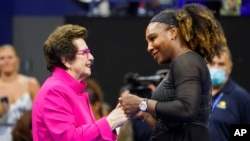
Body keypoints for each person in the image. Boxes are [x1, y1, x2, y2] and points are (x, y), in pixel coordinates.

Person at [119, 3, 227, 141]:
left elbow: (187, 109)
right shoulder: (183, 62)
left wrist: (142, 103)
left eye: (153, 38)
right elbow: (169, 129)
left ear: (172, 32)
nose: (149, 47)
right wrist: (143, 112)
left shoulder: (187, 61)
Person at [32, 24, 128, 141]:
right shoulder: (54, 90)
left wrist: (116, 122)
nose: (91, 57)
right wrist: (110, 121)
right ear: (66, 60)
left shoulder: (73, 90)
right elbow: (70, 138)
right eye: (85, 52)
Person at [207, 46, 250, 141]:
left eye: (221, 64)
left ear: (230, 67)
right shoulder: (195, 93)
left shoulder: (241, 98)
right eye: (212, 63)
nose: (216, 68)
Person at [0, 44, 40, 141]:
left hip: (26, 137)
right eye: (2, 58)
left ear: (17, 60)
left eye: (10, 57)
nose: (6, 61)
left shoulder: (31, 83)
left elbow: (41, 113)